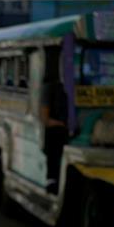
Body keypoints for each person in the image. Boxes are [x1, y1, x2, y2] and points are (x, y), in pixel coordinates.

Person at [40, 52, 69, 194]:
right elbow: (45, 119)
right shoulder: (50, 89)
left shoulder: (73, 88)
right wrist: (62, 125)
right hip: (55, 135)